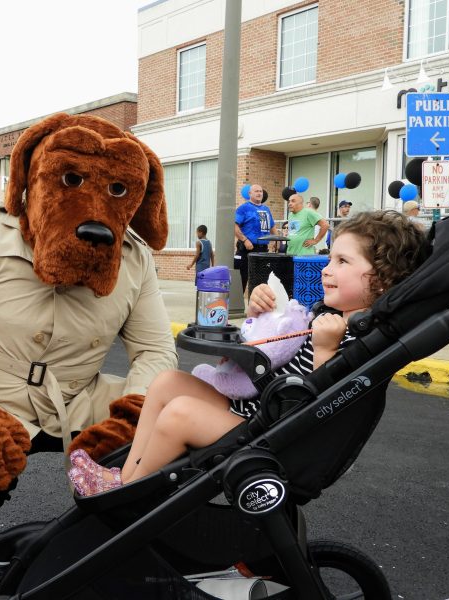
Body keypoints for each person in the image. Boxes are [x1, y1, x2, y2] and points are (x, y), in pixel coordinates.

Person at [0, 113, 177, 591]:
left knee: (152, 457)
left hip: (78, 394)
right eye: (72, 179)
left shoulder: (135, 257)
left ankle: (92, 553)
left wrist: (133, 414)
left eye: (116, 190)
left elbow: (154, 349)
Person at [68, 211, 428, 496]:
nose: (327, 269)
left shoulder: (359, 339)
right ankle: (126, 474)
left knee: (179, 413)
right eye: (330, 258)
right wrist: (259, 312)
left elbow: (324, 407)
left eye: (342, 262)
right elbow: (270, 345)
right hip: (249, 409)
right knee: (166, 383)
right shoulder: (325, 314)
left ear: (382, 277)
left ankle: (131, 491)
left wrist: (325, 350)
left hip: (269, 433)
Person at [235, 183, 278, 292]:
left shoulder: (266, 209)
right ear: (250, 193)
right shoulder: (243, 208)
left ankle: (255, 302)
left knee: (261, 280)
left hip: (263, 250)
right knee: (241, 280)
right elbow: (234, 226)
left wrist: (277, 241)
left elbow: (272, 226)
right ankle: (237, 302)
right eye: (256, 191)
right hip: (247, 250)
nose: (259, 193)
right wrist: (245, 240)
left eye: (261, 191)